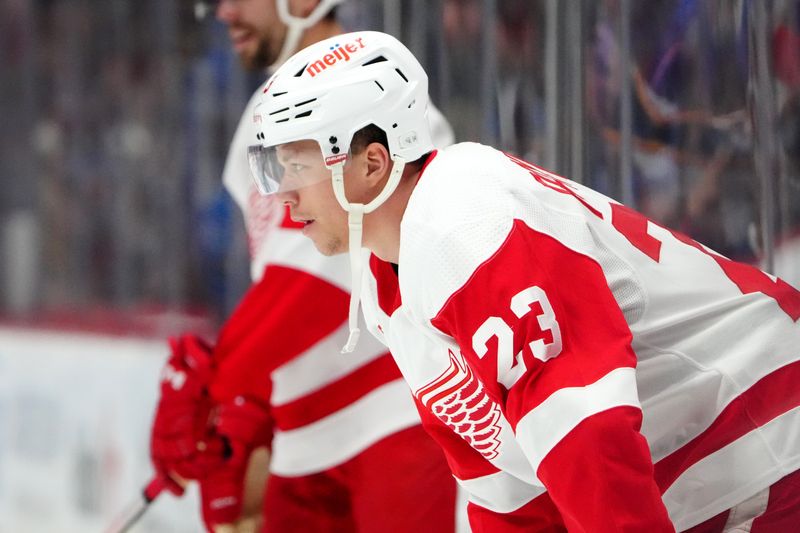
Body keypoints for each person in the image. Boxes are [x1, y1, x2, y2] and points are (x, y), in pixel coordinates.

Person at [248, 30, 800, 532]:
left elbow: (586, 430)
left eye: (297, 167)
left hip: (775, 442)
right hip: (719, 477)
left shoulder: (467, 218)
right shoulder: (387, 275)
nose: (283, 193)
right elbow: (508, 487)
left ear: (372, 163)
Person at [149, 4, 458, 532]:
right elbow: (276, 272)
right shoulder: (258, 118)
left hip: (397, 421)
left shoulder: (384, 93)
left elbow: (318, 284)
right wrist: (251, 410)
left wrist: (215, 385)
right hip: (301, 442)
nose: (223, 12)